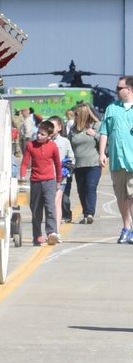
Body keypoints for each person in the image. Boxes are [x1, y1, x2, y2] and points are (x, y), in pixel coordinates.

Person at [98, 76, 133, 243]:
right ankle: (126, 226)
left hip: (132, 160)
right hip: (117, 160)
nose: (116, 91)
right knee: (121, 196)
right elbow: (104, 131)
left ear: (129, 90)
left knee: (132, 195)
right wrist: (102, 153)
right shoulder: (112, 108)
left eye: (119, 88)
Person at [20, 120, 62, 246]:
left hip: (50, 181)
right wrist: (22, 176)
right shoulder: (30, 146)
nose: (39, 136)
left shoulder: (53, 146)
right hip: (35, 182)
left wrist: (58, 180)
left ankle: (51, 233)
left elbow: (57, 164)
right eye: (38, 133)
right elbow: (24, 163)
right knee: (36, 210)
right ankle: (37, 236)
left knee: (50, 207)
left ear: (49, 136)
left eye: (42, 134)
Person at [68, 102, 102, 224]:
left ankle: (90, 213)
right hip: (78, 164)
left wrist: (96, 135)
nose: (74, 116)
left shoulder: (96, 125)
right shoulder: (73, 130)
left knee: (90, 187)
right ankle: (85, 212)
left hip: (93, 163)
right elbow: (69, 144)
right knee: (81, 190)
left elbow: (105, 140)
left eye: (76, 114)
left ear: (83, 114)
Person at [48, 115, 75, 225]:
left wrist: (67, 168)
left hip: (61, 178)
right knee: (50, 203)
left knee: (58, 201)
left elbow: (72, 158)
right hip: (47, 177)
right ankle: (52, 225)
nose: (50, 129)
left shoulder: (65, 141)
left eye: (53, 126)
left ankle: (56, 228)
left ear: (59, 128)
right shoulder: (44, 140)